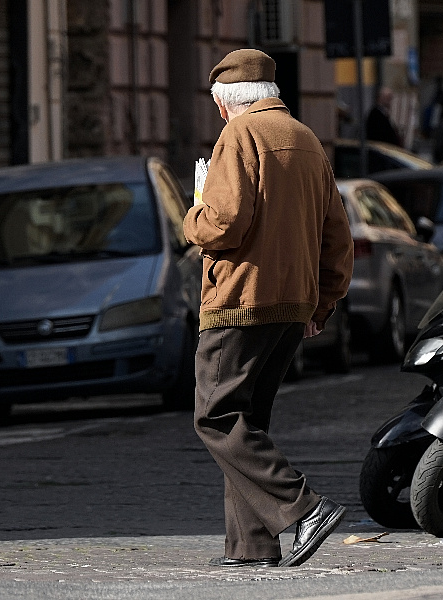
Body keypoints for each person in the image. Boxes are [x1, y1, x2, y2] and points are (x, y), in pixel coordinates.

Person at [184, 49, 354, 569]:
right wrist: (323, 303)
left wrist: (193, 214)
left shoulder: (239, 136)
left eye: (217, 106)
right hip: (292, 302)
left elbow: (224, 223)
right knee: (248, 422)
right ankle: (252, 547)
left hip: (241, 301)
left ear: (225, 103)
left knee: (216, 417)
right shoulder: (306, 139)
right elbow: (337, 236)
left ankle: (304, 508)